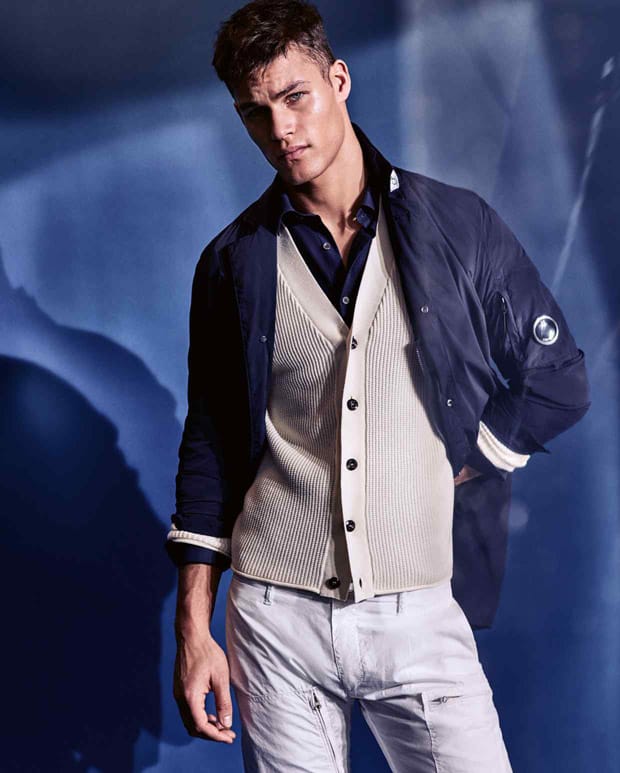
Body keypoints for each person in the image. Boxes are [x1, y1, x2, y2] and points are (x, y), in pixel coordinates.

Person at [165, 1, 591, 769]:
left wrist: (477, 455)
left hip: (418, 608)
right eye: (256, 112)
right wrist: (194, 628)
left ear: (338, 80)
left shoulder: (455, 225)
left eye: (295, 97)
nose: (280, 128)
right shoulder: (232, 262)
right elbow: (211, 449)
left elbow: (558, 378)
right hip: (275, 618)